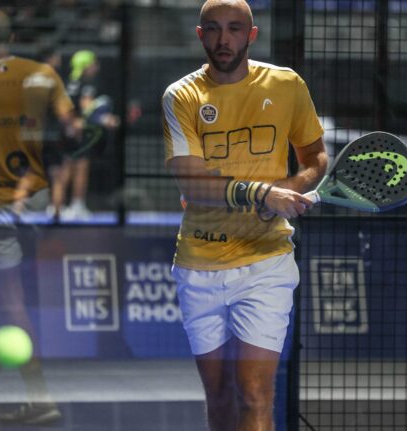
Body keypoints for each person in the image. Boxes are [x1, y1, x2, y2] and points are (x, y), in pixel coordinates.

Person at [161, 1, 328, 430]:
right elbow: (192, 184)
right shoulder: (182, 96)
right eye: (214, 29)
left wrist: (292, 187)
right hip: (199, 263)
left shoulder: (287, 85)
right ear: (200, 34)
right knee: (220, 398)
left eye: (235, 29)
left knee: (253, 393)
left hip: (266, 261)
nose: (224, 39)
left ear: (251, 35)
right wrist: (263, 193)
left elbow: (315, 158)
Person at [0, 7, 77, 425]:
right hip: (36, 200)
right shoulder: (43, 75)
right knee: (11, 305)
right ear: (13, 37)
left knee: (12, 300)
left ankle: (40, 397)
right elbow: (72, 131)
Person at [60, 49, 120, 220]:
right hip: (80, 132)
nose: (96, 67)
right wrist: (104, 119)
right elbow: (87, 107)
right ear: (85, 66)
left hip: (66, 130)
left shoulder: (70, 82)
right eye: (93, 64)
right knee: (81, 167)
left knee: (66, 166)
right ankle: (77, 206)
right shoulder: (88, 83)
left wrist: (69, 124)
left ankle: (58, 205)